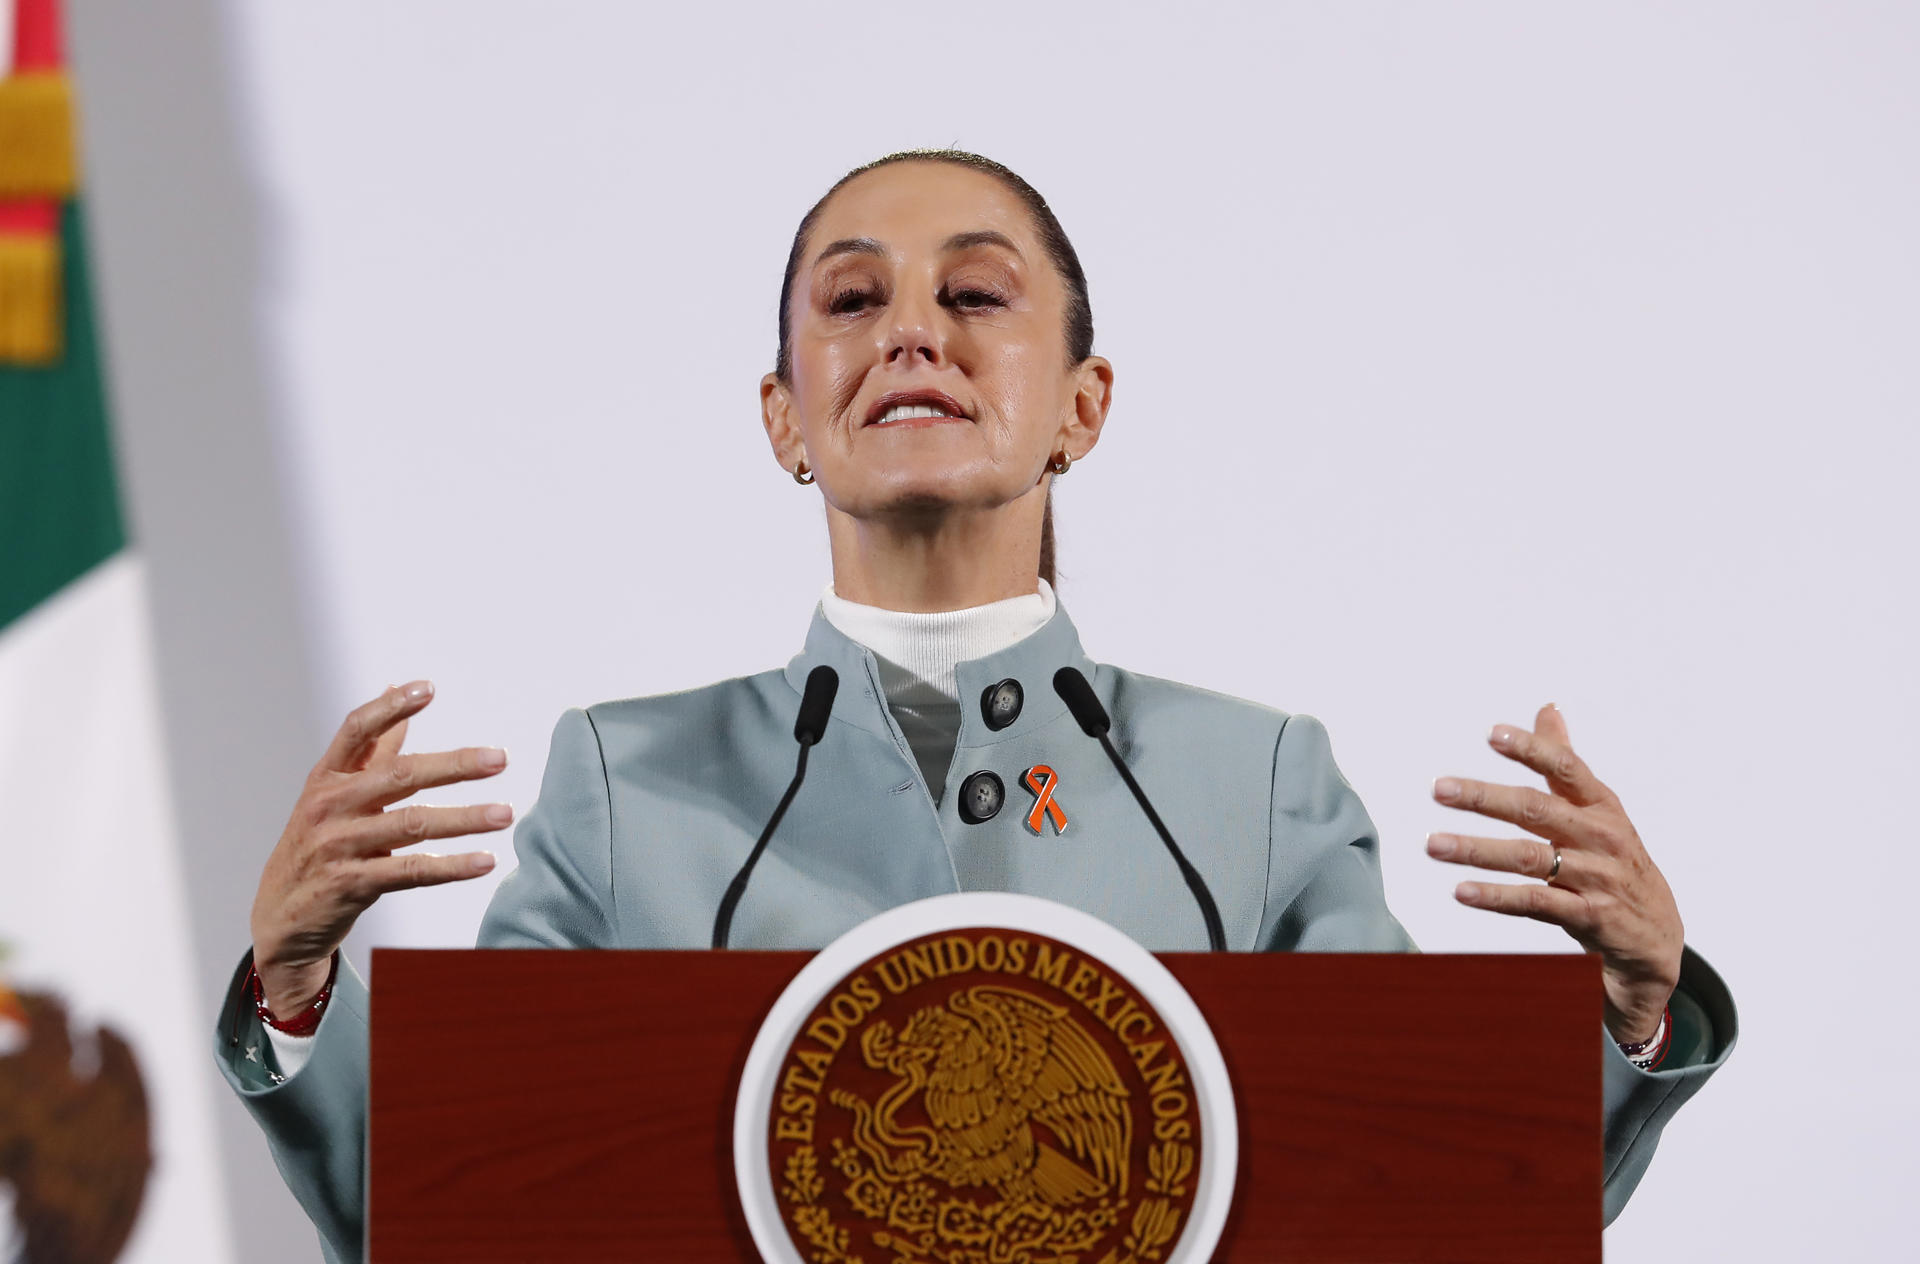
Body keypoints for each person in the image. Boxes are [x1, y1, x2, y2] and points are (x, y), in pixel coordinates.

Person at [216, 149, 1735, 1263]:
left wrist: (1628, 1017)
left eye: (977, 294)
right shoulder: (624, 780)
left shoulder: (1253, 782)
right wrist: (298, 997)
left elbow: (1426, 1193)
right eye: (854, 298)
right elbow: (457, 1206)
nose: (911, 331)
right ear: (784, 416)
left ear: (1083, 404)